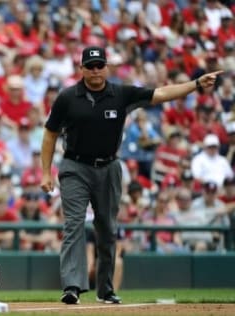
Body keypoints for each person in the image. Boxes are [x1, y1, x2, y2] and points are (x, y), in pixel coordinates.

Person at [40, 45, 222, 305]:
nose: (95, 70)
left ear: (106, 67)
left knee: (107, 229)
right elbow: (50, 133)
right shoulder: (67, 97)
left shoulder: (121, 94)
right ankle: (72, 286)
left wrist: (195, 84)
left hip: (109, 167)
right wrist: (46, 171)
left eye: (99, 65)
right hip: (75, 167)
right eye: (89, 66)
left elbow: (160, 94)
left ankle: (105, 290)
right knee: (73, 224)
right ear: (81, 69)